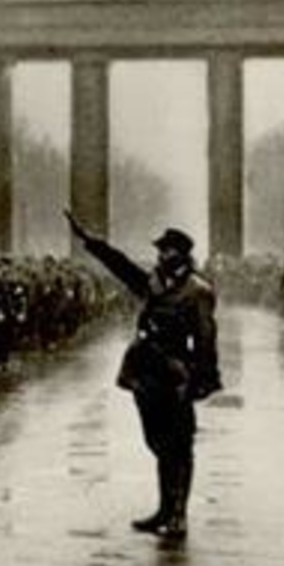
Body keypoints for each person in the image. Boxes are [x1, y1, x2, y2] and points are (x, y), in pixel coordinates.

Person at [66, 214, 221, 538]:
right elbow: (121, 266)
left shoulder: (198, 291)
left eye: (166, 251)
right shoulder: (153, 282)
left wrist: (197, 381)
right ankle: (164, 508)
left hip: (176, 375)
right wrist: (91, 242)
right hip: (147, 374)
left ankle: (178, 514)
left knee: (180, 446)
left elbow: (206, 341)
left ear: (181, 254)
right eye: (160, 251)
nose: (160, 256)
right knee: (158, 442)